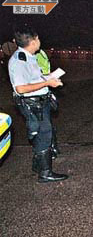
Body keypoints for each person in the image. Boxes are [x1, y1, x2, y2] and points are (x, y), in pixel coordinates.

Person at [8, 26, 68, 183]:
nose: (40, 41)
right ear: (33, 41)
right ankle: (45, 173)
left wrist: (50, 78)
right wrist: (47, 82)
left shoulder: (30, 56)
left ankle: (38, 165)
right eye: (38, 38)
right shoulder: (18, 60)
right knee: (44, 135)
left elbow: (34, 78)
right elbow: (20, 88)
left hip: (41, 103)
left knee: (43, 134)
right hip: (33, 105)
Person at [36, 49, 61, 159]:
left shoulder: (40, 52)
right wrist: (47, 81)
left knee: (48, 125)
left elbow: (42, 71)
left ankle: (52, 148)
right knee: (43, 128)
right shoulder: (24, 58)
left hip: (45, 90)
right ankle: (44, 162)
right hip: (36, 96)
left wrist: (50, 77)